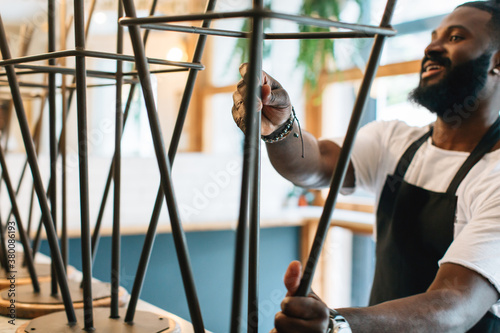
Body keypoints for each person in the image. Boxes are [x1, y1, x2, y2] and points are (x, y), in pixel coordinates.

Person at [232, 1, 500, 332]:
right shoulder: (393, 139)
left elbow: (454, 303)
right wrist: (281, 126)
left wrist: (337, 324)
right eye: (433, 37)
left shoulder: (496, 175)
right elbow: (316, 165)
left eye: (456, 37)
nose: (431, 47)